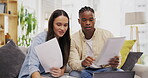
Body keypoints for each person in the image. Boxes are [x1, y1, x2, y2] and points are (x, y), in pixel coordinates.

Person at [68, 6, 122, 78]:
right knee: (76, 73)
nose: (88, 23)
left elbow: (118, 56)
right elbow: (73, 62)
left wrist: (116, 63)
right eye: (84, 20)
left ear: (95, 20)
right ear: (79, 21)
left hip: (105, 69)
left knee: (121, 72)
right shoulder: (73, 39)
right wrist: (82, 63)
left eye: (91, 20)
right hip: (85, 70)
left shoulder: (107, 35)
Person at [18, 9, 71, 78]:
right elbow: (33, 67)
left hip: (49, 75)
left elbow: (64, 63)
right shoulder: (39, 39)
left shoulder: (65, 40)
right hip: (31, 75)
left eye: (65, 25)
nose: (62, 28)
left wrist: (61, 71)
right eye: (58, 24)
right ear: (52, 24)